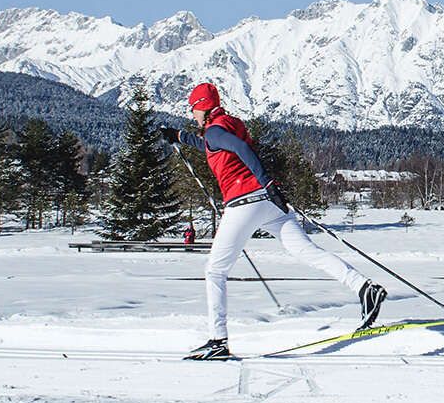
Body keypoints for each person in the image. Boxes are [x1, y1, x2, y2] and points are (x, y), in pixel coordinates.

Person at [159, 83, 387, 360]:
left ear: (203, 106)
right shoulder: (227, 125)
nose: (192, 112)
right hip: (268, 203)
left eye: (193, 108)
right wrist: (179, 136)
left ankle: (218, 339)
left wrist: (267, 182)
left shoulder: (217, 131)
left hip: (245, 203)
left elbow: (240, 148)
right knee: (307, 251)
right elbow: (211, 145)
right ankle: (364, 288)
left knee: (215, 270)